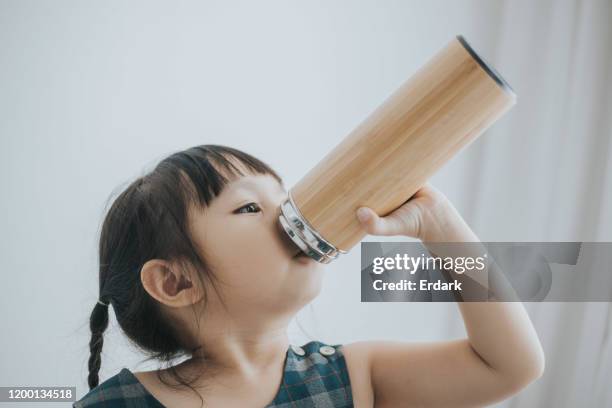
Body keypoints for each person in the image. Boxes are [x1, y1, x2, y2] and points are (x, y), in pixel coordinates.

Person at [74, 144, 544, 407]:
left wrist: (441, 227)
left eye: (286, 201)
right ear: (176, 283)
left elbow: (508, 365)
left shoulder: (351, 377)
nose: (292, 217)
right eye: (250, 206)